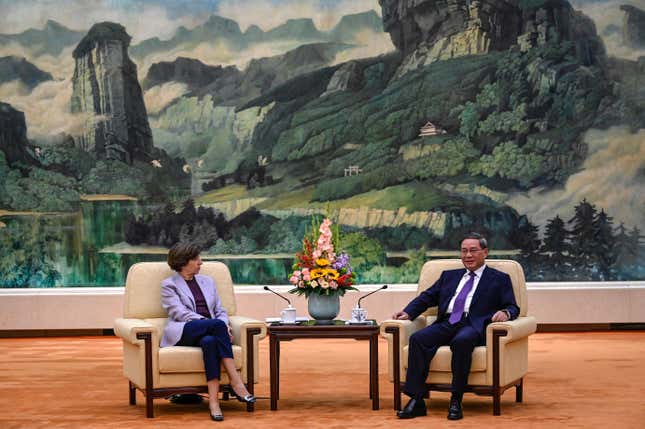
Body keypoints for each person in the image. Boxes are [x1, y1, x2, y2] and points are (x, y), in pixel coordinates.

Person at [392, 232, 519, 420]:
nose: (468, 255)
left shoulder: (499, 278)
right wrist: (409, 312)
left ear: (485, 252)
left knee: (462, 342)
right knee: (418, 339)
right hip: (448, 322)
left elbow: (512, 306)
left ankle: (456, 400)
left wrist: (506, 313)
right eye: (464, 251)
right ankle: (417, 400)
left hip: (473, 325)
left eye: (473, 251)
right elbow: (427, 297)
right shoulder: (449, 276)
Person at [160, 243, 255, 422]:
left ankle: (214, 403)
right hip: (184, 330)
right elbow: (179, 313)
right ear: (183, 262)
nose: (200, 262)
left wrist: (223, 324)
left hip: (210, 332)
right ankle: (236, 382)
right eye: (195, 259)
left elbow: (220, 310)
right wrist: (213, 324)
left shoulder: (208, 281)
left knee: (210, 342)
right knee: (216, 326)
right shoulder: (169, 285)